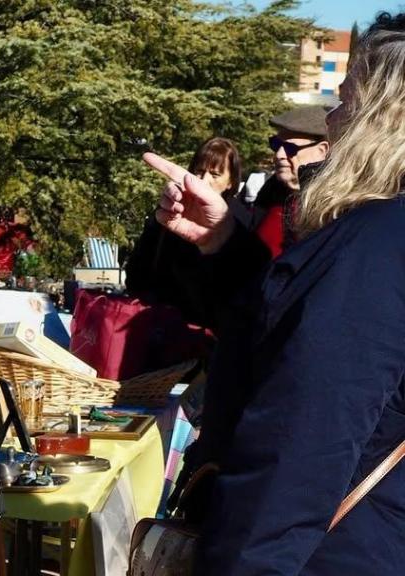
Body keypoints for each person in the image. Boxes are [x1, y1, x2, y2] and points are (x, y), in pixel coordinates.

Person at [146, 11, 405, 574]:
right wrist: (226, 243)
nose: (332, 122)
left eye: (345, 102)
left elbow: (303, 445)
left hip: (328, 552)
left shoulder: (378, 243)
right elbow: (285, 326)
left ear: (380, 118)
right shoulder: (380, 237)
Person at [125, 137, 241, 327]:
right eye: (199, 171)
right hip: (155, 325)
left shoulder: (238, 225)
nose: (204, 180)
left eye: (215, 174)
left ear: (231, 181)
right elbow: (139, 266)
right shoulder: (172, 211)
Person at [248, 105, 330, 257]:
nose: (279, 155)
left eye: (290, 148)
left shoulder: (336, 205)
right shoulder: (269, 192)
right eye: (276, 145)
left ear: (322, 151)